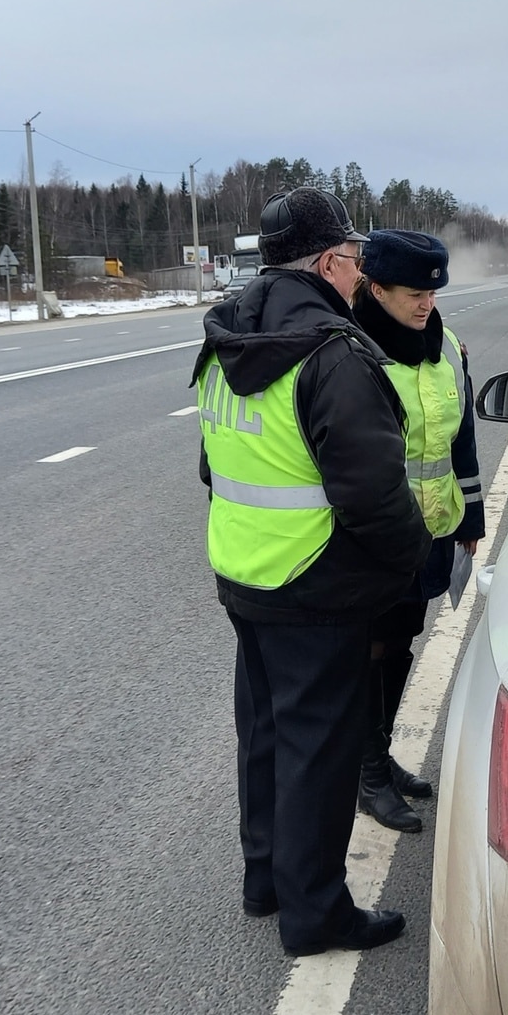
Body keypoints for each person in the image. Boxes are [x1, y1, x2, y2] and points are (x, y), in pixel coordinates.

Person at [191, 188, 432, 957]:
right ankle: (316, 913)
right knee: (318, 752)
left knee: (263, 731)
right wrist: (404, 564)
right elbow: (371, 492)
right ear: (329, 261)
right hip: (316, 586)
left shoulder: (225, 336)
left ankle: (264, 879)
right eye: (356, 259)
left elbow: (212, 464)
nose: (359, 272)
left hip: (244, 571)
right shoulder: (332, 352)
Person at [352, 229, 485, 833]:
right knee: (370, 651)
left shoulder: (447, 344)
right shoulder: (352, 350)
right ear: (375, 288)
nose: (426, 302)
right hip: (373, 536)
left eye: (433, 290)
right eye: (413, 292)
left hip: (431, 527)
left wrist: (472, 518)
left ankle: (379, 757)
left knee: (400, 642)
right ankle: (367, 772)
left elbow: (462, 436)